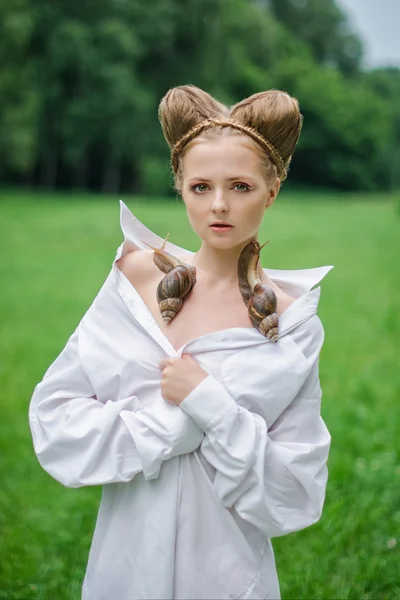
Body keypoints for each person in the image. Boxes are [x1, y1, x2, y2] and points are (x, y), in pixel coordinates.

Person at [29, 85, 333, 600]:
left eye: (240, 186)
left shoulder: (292, 324)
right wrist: (170, 426)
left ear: (272, 189)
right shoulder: (132, 284)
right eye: (200, 187)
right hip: (127, 561)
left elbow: (296, 488)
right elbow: (54, 418)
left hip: (227, 571)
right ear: (179, 186)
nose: (219, 205)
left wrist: (211, 406)